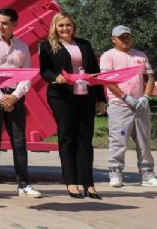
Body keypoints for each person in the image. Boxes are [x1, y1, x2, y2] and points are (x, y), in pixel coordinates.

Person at [38, 12, 106, 199]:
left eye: (68, 25)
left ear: (73, 26)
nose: (65, 29)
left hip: (86, 95)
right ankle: (71, 183)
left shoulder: (84, 44)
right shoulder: (47, 46)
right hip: (62, 96)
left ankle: (89, 184)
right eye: (61, 26)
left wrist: (101, 99)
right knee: (67, 138)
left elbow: (95, 73)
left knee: (85, 139)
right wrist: (55, 77)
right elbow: (44, 71)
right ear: (55, 27)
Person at [0, 9, 42, 199]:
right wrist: (1, 97)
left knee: (19, 141)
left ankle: (23, 184)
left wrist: (14, 96)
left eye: (4, 23)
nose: (0, 26)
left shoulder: (22, 47)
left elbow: (27, 75)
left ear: (15, 24)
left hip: (15, 97)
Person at [100, 25, 157, 188]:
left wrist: (145, 97)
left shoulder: (141, 55)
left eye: (128, 36)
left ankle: (147, 175)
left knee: (144, 141)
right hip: (119, 105)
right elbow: (108, 80)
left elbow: (150, 78)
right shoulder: (108, 56)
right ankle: (115, 174)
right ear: (113, 39)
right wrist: (124, 96)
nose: (125, 40)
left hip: (140, 105)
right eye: (121, 37)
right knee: (118, 140)